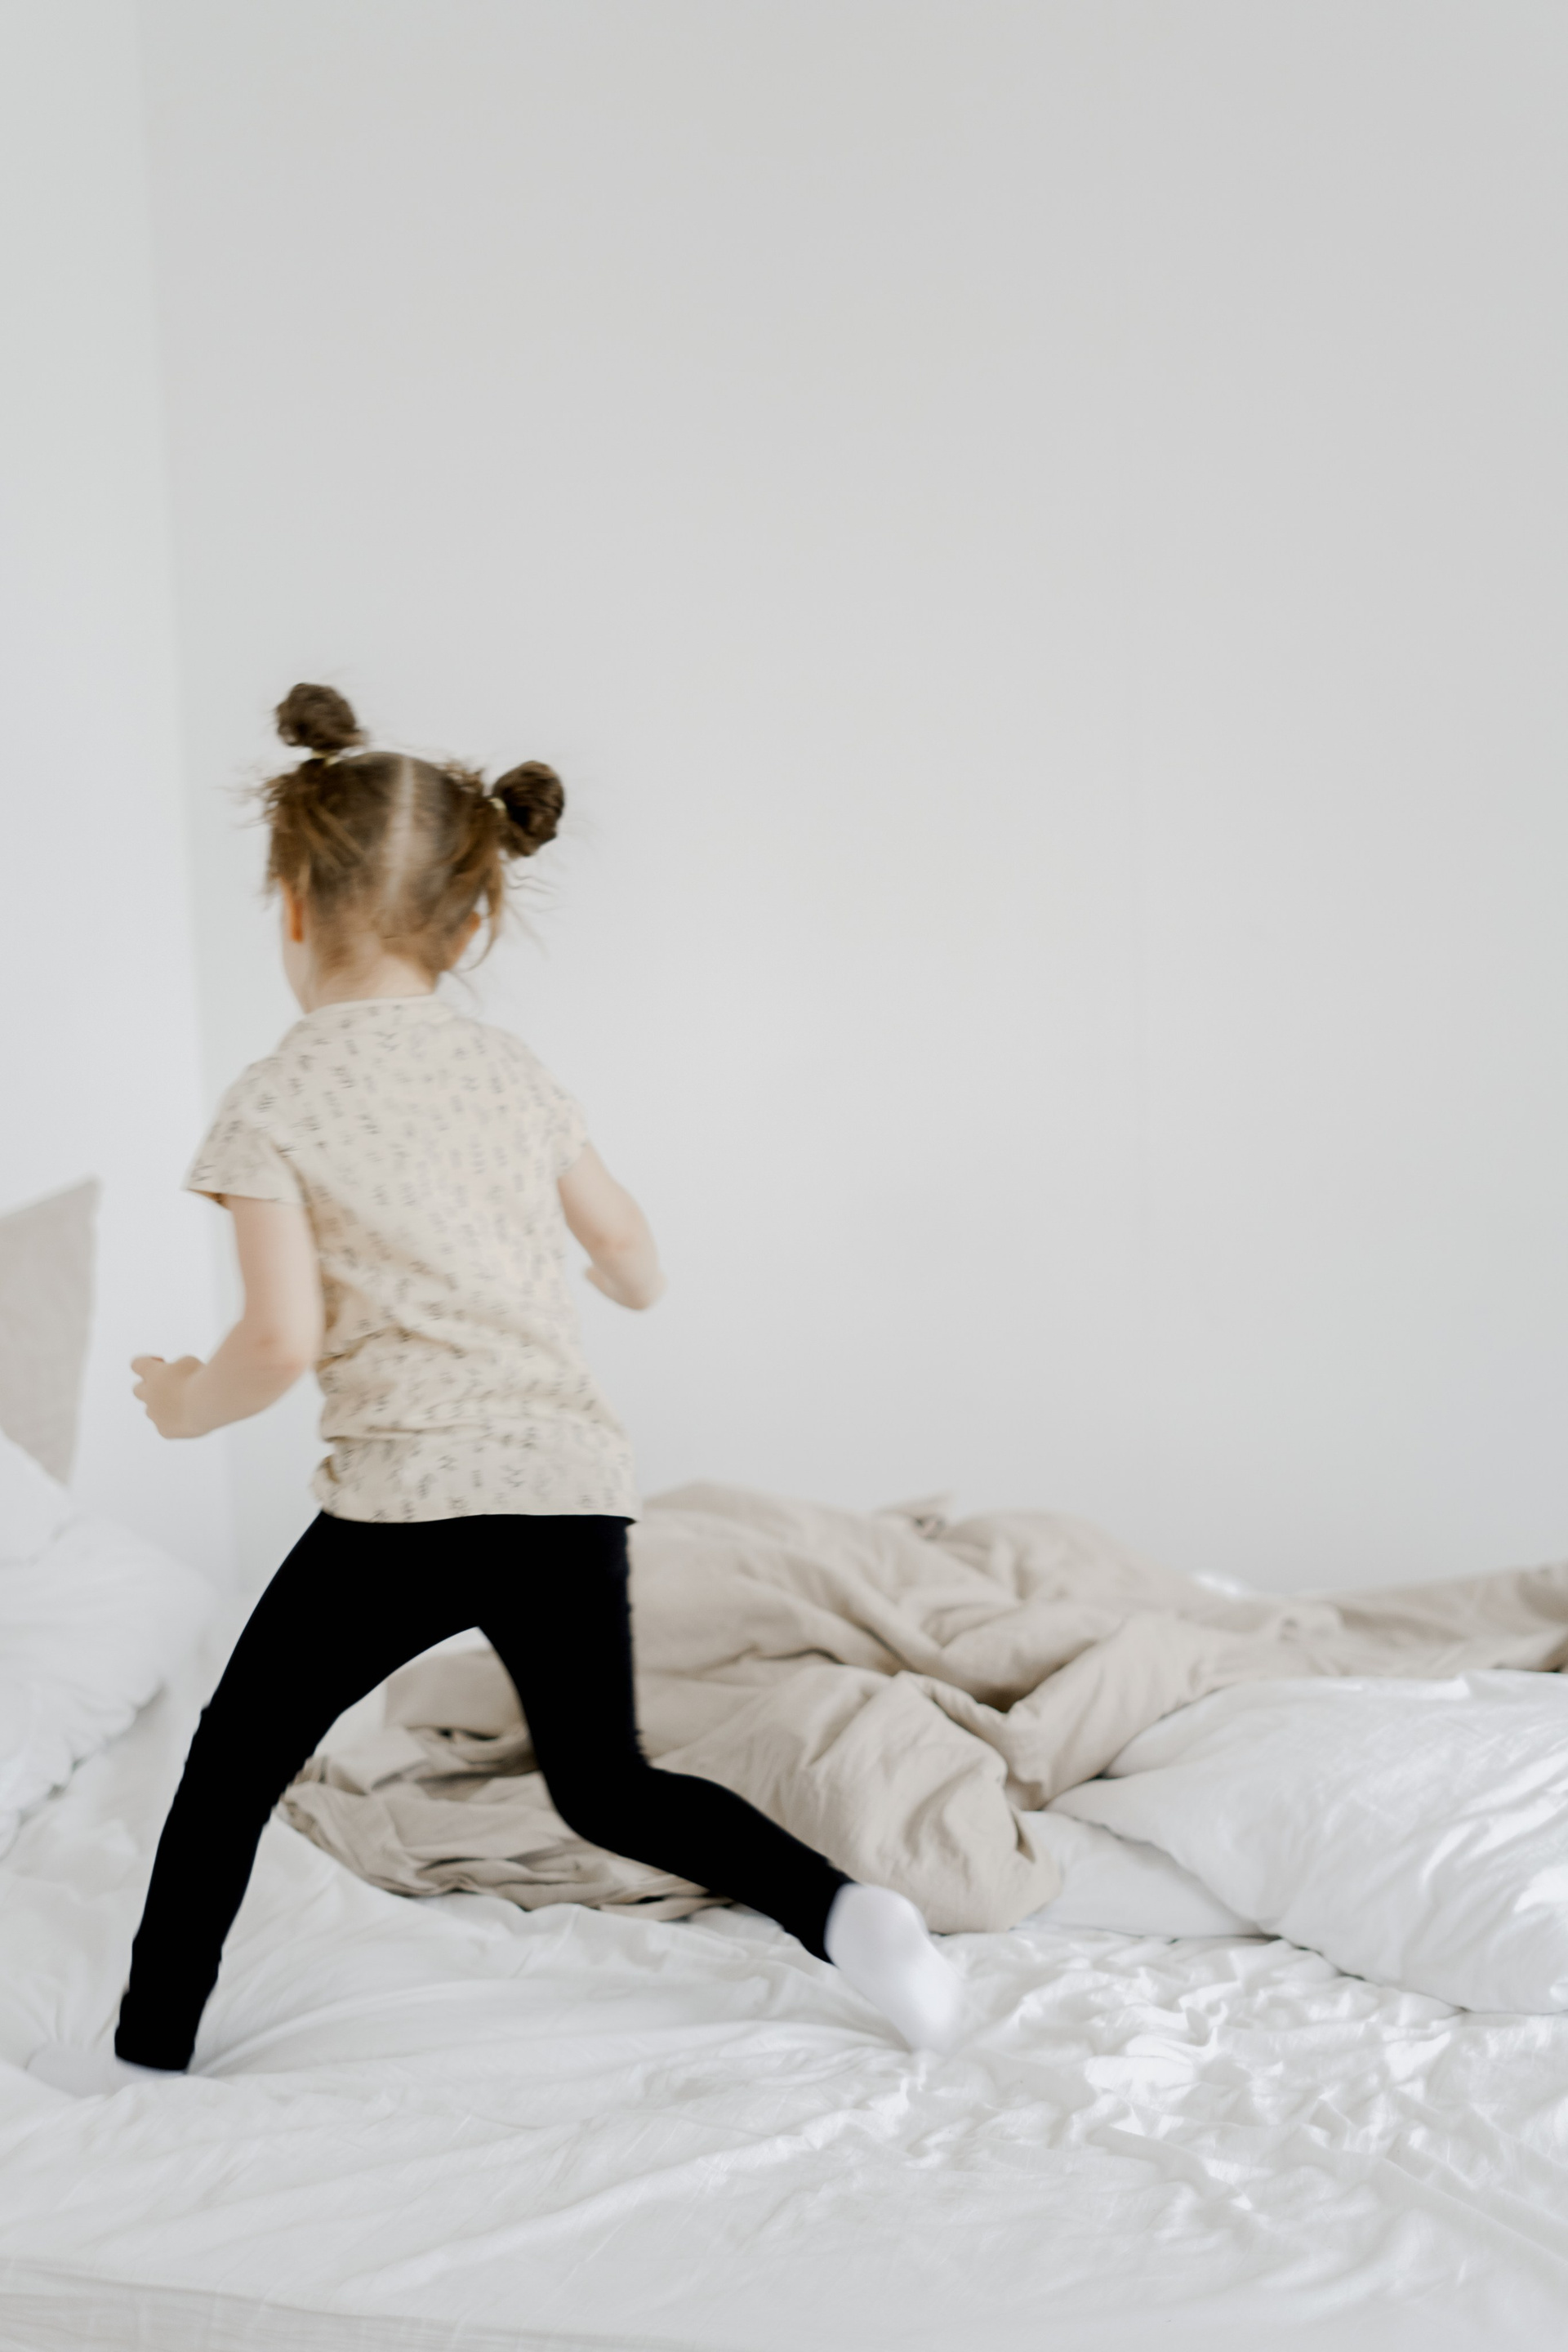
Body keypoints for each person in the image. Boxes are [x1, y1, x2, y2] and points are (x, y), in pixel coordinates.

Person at [29, 684, 963, 2096]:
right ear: (472, 924)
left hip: (402, 1509)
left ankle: (148, 2052)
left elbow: (277, 1341)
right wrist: (624, 1285)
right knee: (608, 1783)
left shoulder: (277, 1098)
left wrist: (184, 1405)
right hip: (565, 1491)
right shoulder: (513, 1074)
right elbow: (628, 1247)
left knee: (232, 1768)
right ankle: (845, 1915)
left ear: (293, 906)